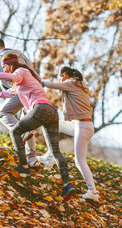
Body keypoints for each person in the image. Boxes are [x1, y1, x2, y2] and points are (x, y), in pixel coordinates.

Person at [0, 53, 76, 199]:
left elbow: (12, 77)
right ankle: (67, 185)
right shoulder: (23, 78)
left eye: (4, 66)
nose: (4, 70)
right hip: (51, 112)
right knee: (55, 151)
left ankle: (24, 166)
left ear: (10, 64)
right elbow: (11, 92)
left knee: (15, 132)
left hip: (40, 109)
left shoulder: (20, 72)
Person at [38, 67, 100, 201]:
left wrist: (38, 80)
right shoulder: (78, 85)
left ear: (65, 76)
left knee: (80, 160)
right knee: (54, 124)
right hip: (80, 125)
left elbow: (51, 84)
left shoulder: (72, 83)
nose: (60, 80)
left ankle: (93, 192)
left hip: (82, 126)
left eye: (60, 77)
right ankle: (49, 158)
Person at [0, 37, 39, 167]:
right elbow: (33, 71)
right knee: (26, 123)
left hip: (17, 91)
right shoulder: (20, 54)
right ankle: (32, 159)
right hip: (32, 92)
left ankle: (23, 133)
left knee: (2, 114)